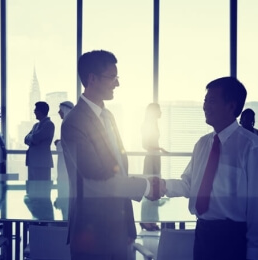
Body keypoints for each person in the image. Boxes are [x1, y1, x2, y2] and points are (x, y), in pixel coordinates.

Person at [61, 50, 161, 260]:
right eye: (112, 77)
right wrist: (147, 186)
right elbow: (95, 179)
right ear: (92, 78)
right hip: (92, 231)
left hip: (120, 226)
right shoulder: (73, 122)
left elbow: (118, 169)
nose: (117, 84)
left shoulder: (109, 116)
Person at [162, 77, 258, 260]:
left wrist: (254, 251)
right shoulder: (202, 144)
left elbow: (256, 207)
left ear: (231, 106)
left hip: (233, 238)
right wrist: (160, 186)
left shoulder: (251, 147)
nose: (205, 106)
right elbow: (189, 184)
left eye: (212, 101)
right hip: (203, 234)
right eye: (205, 101)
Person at [140, 103, 168, 231]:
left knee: (155, 187)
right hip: (151, 158)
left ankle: (152, 221)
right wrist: (160, 148)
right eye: (159, 109)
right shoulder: (147, 125)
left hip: (156, 157)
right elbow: (145, 145)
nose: (160, 112)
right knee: (150, 187)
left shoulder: (154, 124)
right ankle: (146, 221)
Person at [53, 101, 74, 218]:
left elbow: (67, 145)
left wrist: (58, 143)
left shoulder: (69, 124)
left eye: (60, 110)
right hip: (64, 163)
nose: (58, 112)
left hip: (66, 165)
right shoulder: (69, 123)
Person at [24, 101, 55, 181]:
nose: (34, 111)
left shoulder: (49, 124)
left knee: (42, 188)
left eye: (36, 109)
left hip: (42, 163)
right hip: (33, 162)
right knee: (32, 188)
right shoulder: (36, 125)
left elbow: (35, 139)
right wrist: (32, 138)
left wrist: (31, 138)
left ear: (41, 111)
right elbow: (25, 139)